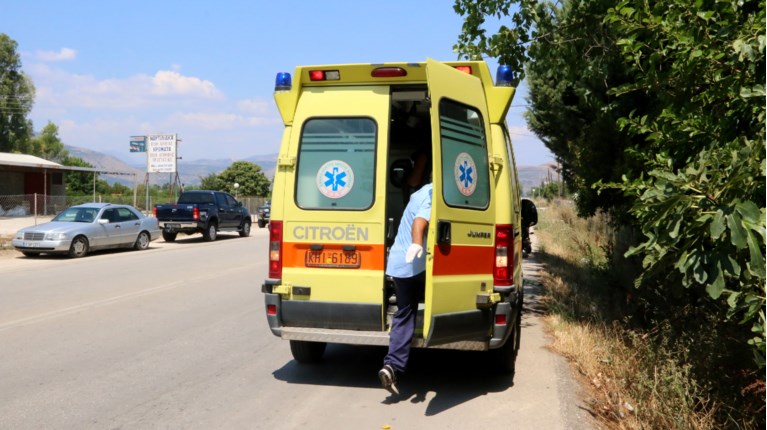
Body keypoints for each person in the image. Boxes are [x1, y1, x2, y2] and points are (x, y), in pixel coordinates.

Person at [378, 181, 432, 395]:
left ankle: (391, 365)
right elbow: (419, 222)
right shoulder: (433, 194)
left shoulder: (422, 190)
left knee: (405, 312)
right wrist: (417, 243)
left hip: (399, 263)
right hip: (415, 263)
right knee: (420, 306)